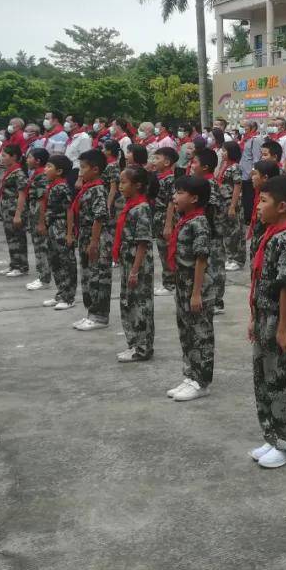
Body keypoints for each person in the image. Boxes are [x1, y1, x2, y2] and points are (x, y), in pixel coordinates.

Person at [248, 174, 286, 469]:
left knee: (284, 382)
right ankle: (274, 436)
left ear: (282, 206)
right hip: (264, 317)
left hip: (279, 320)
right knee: (266, 380)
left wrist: (283, 328)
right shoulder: (270, 232)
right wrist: (252, 318)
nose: (258, 206)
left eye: (263, 201)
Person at [165, 175, 215, 402]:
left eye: (180, 193)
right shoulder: (185, 219)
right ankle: (190, 374)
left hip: (197, 287)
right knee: (186, 332)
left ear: (194, 198)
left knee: (200, 334)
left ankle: (201, 381)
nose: (175, 197)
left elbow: (201, 259)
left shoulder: (199, 222)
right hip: (183, 284)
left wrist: (196, 293)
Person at [114, 165, 156, 363]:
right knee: (128, 303)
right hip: (128, 260)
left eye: (124, 182)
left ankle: (142, 347)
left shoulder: (141, 208)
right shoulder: (130, 204)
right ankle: (134, 343)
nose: (120, 186)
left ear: (137, 185)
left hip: (137, 263)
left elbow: (142, 242)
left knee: (140, 305)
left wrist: (134, 270)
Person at [70, 149, 112, 331]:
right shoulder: (87, 187)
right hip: (86, 235)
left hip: (97, 237)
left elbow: (99, 217)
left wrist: (94, 243)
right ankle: (91, 313)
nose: (80, 171)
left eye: (83, 167)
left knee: (98, 277)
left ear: (95, 170)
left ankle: (100, 316)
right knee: (88, 276)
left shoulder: (97, 189)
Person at [40, 155, 77, 311]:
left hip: (61, 226)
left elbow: (70, 210)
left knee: (65, 263)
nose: (45, 169)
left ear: (59, 171)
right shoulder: (51, 185)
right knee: (55, 261)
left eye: (49, 167)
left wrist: (69, 233)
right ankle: (61, 293)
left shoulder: (62, 186)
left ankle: (69, 297)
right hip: (52, 227)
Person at [192, 147, 227, 314]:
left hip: (212, 234)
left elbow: (209, 210)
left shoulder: (209, 184)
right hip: (207, 233)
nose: (192, 165)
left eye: (195, 162)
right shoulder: (202, 183)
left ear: (205, 167)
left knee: (214, 267)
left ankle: (216, 301)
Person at [19, 148, 52, 292]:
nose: (27, 160)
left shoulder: (41, 177)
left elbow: (41, 201)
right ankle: (42, 275)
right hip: (34, 215)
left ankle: (44, 278)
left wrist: (40, 222)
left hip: (38, 216)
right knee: (38, 247)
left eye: (30, 157)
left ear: (38, 161)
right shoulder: (36, 175)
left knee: (41, 248)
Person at [0, 144, 29, 278]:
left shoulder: (19, 173)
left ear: (14, 157)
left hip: (15, 209)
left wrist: (18, 214)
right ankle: (14, 264)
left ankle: (21, 266)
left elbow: (22, 195)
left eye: (4, 156)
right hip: (7, 208)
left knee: (18, 238)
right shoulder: (10, 170)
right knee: (11, 238)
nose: (2, 158)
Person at [151, 147, 180, 297]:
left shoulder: (169, 179)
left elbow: (171, 203)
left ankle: (170, 284)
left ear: (167, 162)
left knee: (167, 250)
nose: (153, 161)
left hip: (165, 217)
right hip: (157, 216)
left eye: (157, 159)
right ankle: (169, 281)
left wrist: (168, 224)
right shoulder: (158, 176)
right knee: (162, 250)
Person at [216, 140, 245, 272]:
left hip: (231, 201)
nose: (222, 153)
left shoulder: (235, 167)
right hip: (222, 201)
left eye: (225, 150)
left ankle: (237, 259)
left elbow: (237, 186)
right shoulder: (224, 165)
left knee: (235, 232)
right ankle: (230, 257)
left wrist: (233, 206)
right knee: (226, 231)